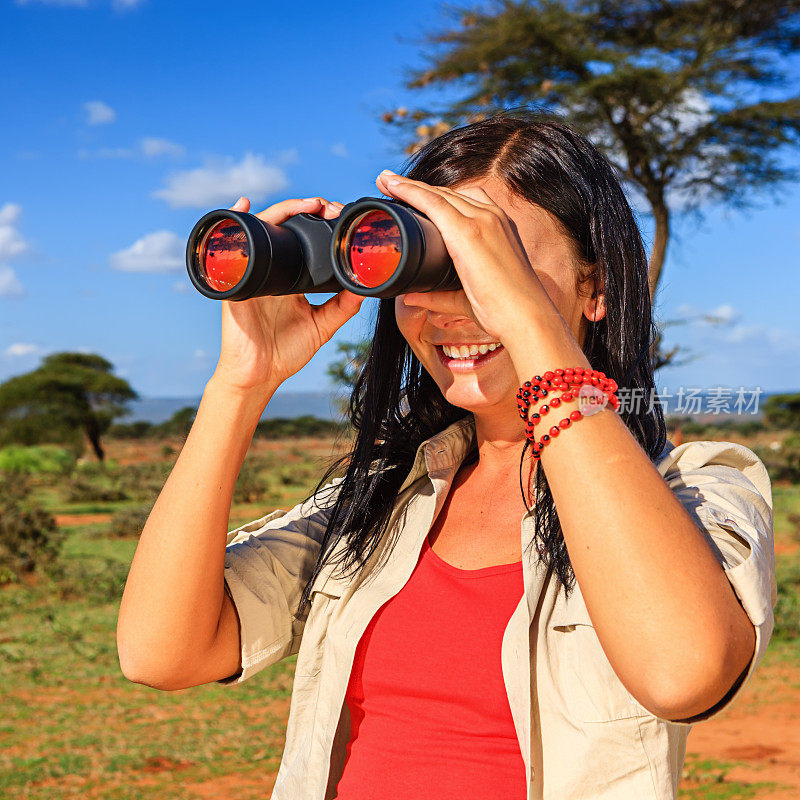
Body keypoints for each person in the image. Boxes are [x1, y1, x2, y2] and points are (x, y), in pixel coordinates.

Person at [116, 110, 777, 800]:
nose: (451, 307)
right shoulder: (382, 496)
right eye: (431, 265)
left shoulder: (696, 488)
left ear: (597, 285)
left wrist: (526, 323)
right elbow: (162, 652)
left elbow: (683, 674)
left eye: (492, 260)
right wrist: (240, 384)